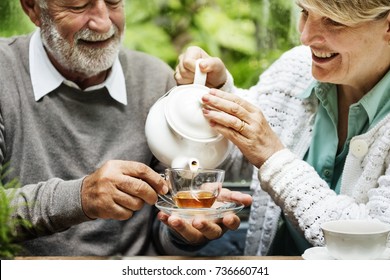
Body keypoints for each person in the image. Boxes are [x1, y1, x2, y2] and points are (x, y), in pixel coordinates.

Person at [0, 0, 252, 256]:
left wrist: (183, 230)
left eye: (113, 2)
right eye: (78, 5)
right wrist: (80, 198)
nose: (104, 23)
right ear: (32, 8)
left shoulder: (154, 80)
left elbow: (161, 228)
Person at [175, 0, 390, 256]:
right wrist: (216, 92)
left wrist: (274, 159)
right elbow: (243, 153)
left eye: (333, 21)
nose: (305, 37)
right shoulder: (297, 67)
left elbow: (377, 246)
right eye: (305, 13)